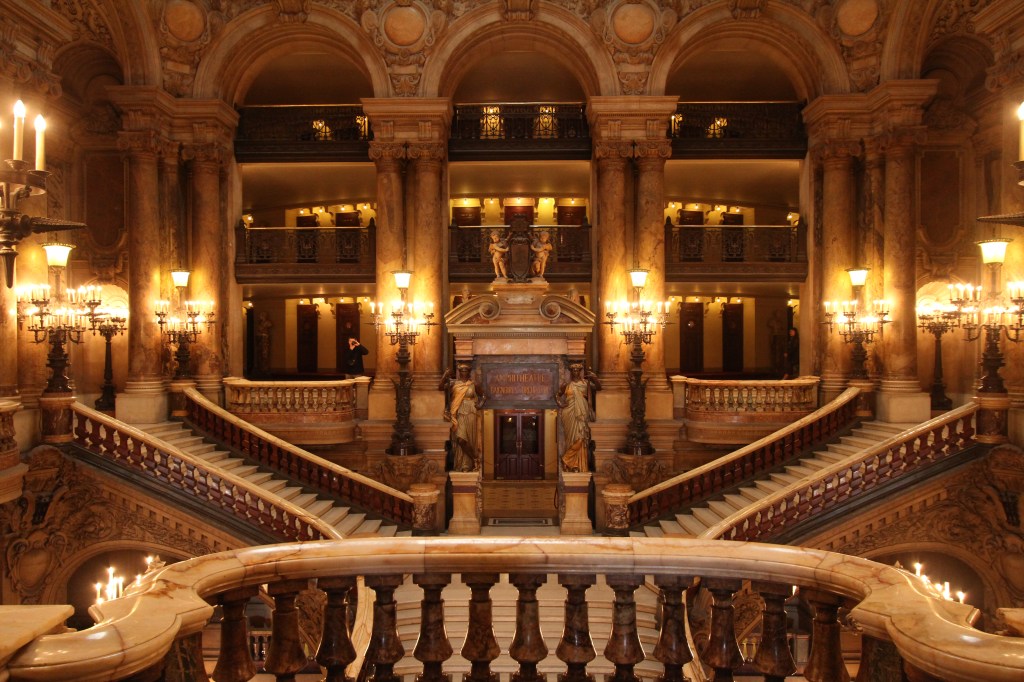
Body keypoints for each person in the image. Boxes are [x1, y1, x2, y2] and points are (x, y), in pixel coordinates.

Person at [556, 362, 601, 473]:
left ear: (580, 372)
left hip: (582, 414)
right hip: (569, 414)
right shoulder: (566, 385)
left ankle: (566, 459)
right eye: (573, 370)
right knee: (571, 439)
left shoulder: (586, 383)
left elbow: (599, 388)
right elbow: (557, 394)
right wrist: (560, 404)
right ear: (571, 372)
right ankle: (574, 464)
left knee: (581, 438)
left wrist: (595, 379)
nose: (575, 372)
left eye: (577, 370)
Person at [439, 363, 482, 472]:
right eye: (461, 370)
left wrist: (480, 404)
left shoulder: (473, 384)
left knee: (470, 439)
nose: (464, 372)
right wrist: (445, 375)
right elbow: (440, 387)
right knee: (460, 439)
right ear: (459, 372)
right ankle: (475, 459)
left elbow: (484, 396)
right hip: (458, 412)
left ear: (469, 372)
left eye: (466, 370)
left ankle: (467, 465)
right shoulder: (454, 383)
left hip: (471, 413)